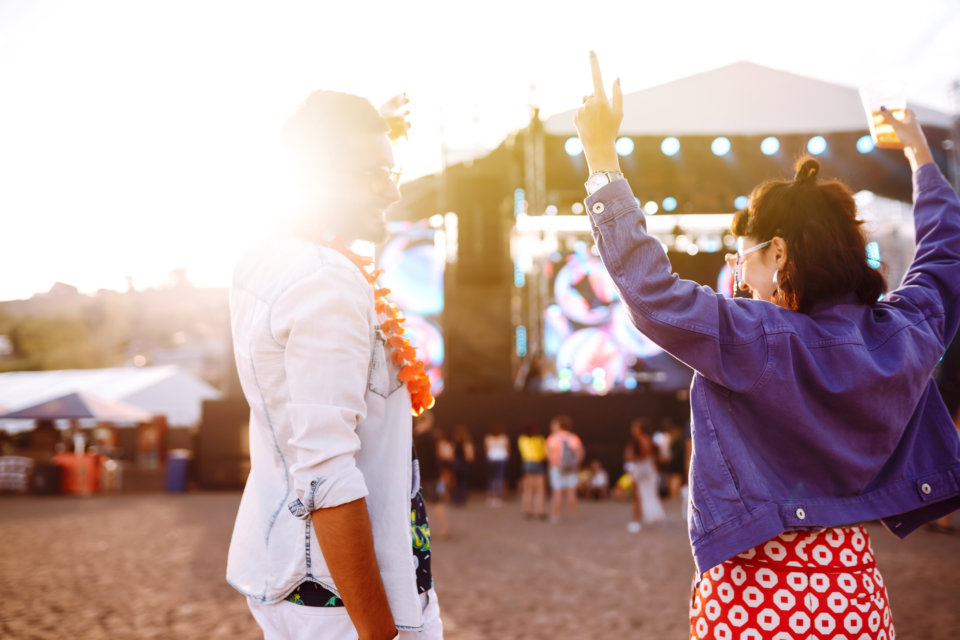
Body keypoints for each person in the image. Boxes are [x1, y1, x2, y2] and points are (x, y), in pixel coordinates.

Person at [575, 52, 960, 639]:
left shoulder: (756, 339)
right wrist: (921, 156)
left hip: (757, 589)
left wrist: (602, 159)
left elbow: (650, 293)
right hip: (853, 589)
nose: (737, 273)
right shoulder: (902, 333)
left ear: (777, 253)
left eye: (742, 257)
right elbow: (945, 259)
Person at [226, 89, 443, 639]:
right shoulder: (327, 280)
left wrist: (367, 144)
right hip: (339, 600)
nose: (392, 189)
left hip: (299, 575)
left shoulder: (266, 256)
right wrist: (379, 632)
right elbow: (326, 475)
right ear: (316, 176)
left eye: (391, 170)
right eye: (373, 172)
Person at [625, 418, 665, 532]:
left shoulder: (636, 442)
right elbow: (658, 458)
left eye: (635, 427)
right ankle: (655, 517)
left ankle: (636, 521)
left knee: (638, 496)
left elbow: (631, 458)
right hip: (650, 470)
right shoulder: (651, 441)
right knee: (650, 494)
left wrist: (632, 470)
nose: (633, 429)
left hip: (641, 469)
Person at [545, 415, 584, 521]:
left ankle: (556, 515)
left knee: (557, 491)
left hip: (557, 468)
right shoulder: (573, 437)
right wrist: (575, 464)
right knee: (571, 492)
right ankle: (573, 515)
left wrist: (556, 464)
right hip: (571, 468)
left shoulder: (553, 438)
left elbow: (548, 453)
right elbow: (580, 452)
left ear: (558, 425)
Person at [517, 422, 548, 519]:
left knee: (528, 489)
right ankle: (540, 511)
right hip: (538, 463)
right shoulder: (540, 439)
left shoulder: (521, 439)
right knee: (540, 490)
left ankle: (527, 510)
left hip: (527, 463)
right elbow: (544, 453)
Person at [483, 421, 510, 506]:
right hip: (501, 458)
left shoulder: (488, 438)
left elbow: (486, 449)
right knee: (499, 478)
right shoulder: (504, 438)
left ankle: (492, 496)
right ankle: (498, 497)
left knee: (492, 478)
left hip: (492, 458)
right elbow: (508, 448)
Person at [450, 424, 475, 507]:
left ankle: (456, 500)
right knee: (463, 483)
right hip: (464, 465)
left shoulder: (455, 443)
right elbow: (469, 456)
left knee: (456, 482)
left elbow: (452, 455)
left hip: (456, 464)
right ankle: (462, 500)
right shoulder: (467, 443)